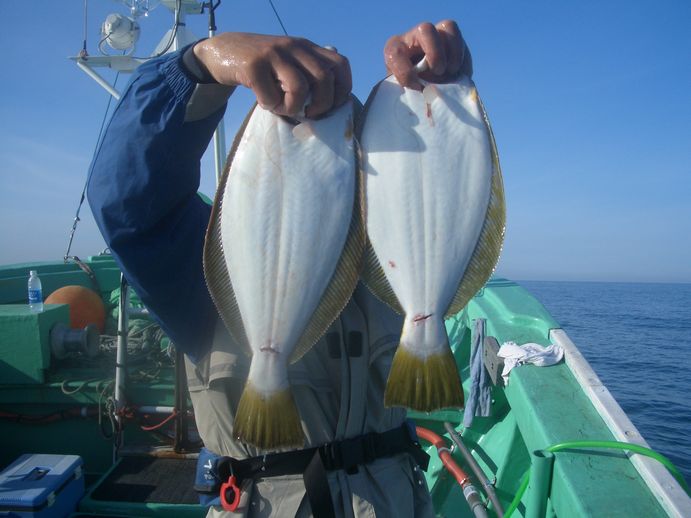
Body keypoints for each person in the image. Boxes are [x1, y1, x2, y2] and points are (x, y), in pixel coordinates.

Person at [88, 20, 472, 518]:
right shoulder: (206, 263)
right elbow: (128, 201)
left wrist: (445, 94)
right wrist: (200, 64)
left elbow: (446, 188)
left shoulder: (402, 258)